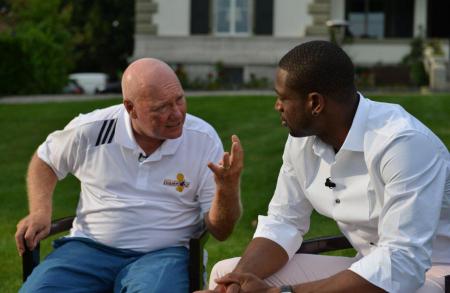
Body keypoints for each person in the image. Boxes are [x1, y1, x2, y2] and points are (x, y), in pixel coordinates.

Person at [203, 41, 450, 293]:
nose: (277, 106)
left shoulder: (401, 143)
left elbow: (403, 263)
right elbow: (284, 222)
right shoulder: (302, 142)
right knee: (226, 273)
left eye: (282, 98)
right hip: (368, 264)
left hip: (433, 271)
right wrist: (236, 282)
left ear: (315, 103)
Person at [15, 58, 243, 292]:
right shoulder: (93, 129)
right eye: (161, 108)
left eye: (179, 100)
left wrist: (227, 190)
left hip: (164, 255)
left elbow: (221, 231)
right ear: (130, 108)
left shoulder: (201, 139)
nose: (176, 114)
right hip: (88, 249)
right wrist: (40, 211)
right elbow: (46, 160)